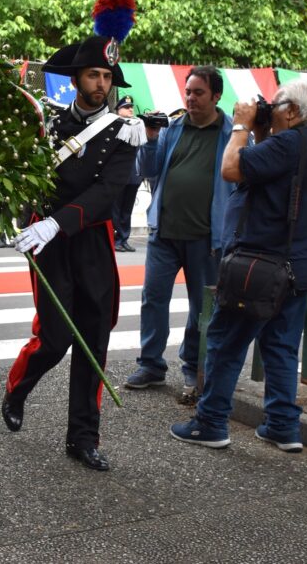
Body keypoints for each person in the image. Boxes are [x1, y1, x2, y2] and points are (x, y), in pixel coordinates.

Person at [170, 80, 307, 452]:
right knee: (280, 346)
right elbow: (279, 177)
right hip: (301, 267)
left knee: (225, 343)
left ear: (292, 111)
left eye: (276, 108)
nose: (271, 113)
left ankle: (211, 422)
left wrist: (243, 126)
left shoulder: (287, 143)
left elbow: (232, 168)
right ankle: (283, 426)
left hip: (258, 267)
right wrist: (265, 130)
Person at [1, 26, 141, 473]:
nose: (101, 84)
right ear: (77, 78)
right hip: (50, 243)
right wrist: (31, 220)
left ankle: (83, 436)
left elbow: (108, 192)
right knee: (57, 336)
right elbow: (24, 178)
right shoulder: (49, 125)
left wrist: (58, 223)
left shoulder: (124, 132)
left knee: (93, 339)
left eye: (107, 76)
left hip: (91, 240)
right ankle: (18, 388)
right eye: (94, 75)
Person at [124, 66, 232, 399]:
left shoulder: (230, 133)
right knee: (153, 298)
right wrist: (150, 140)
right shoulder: (174, 128)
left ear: (216, 96)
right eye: (188, 92)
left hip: (207, 238)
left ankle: (192, 368)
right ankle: (151, 365)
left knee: (202, 308)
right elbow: (148, 170)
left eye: (198, 93)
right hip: (165, 234)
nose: (190, 98)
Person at [111, 94, 143, 253]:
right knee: (116, 209)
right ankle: (116, 238)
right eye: (126, 107)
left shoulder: (137, 125)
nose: (130, 109)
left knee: (127, 210)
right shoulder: (113, 125)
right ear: (118, 110)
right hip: (118, 175)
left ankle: (123, 239)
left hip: (133, 175)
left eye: (131, 107)